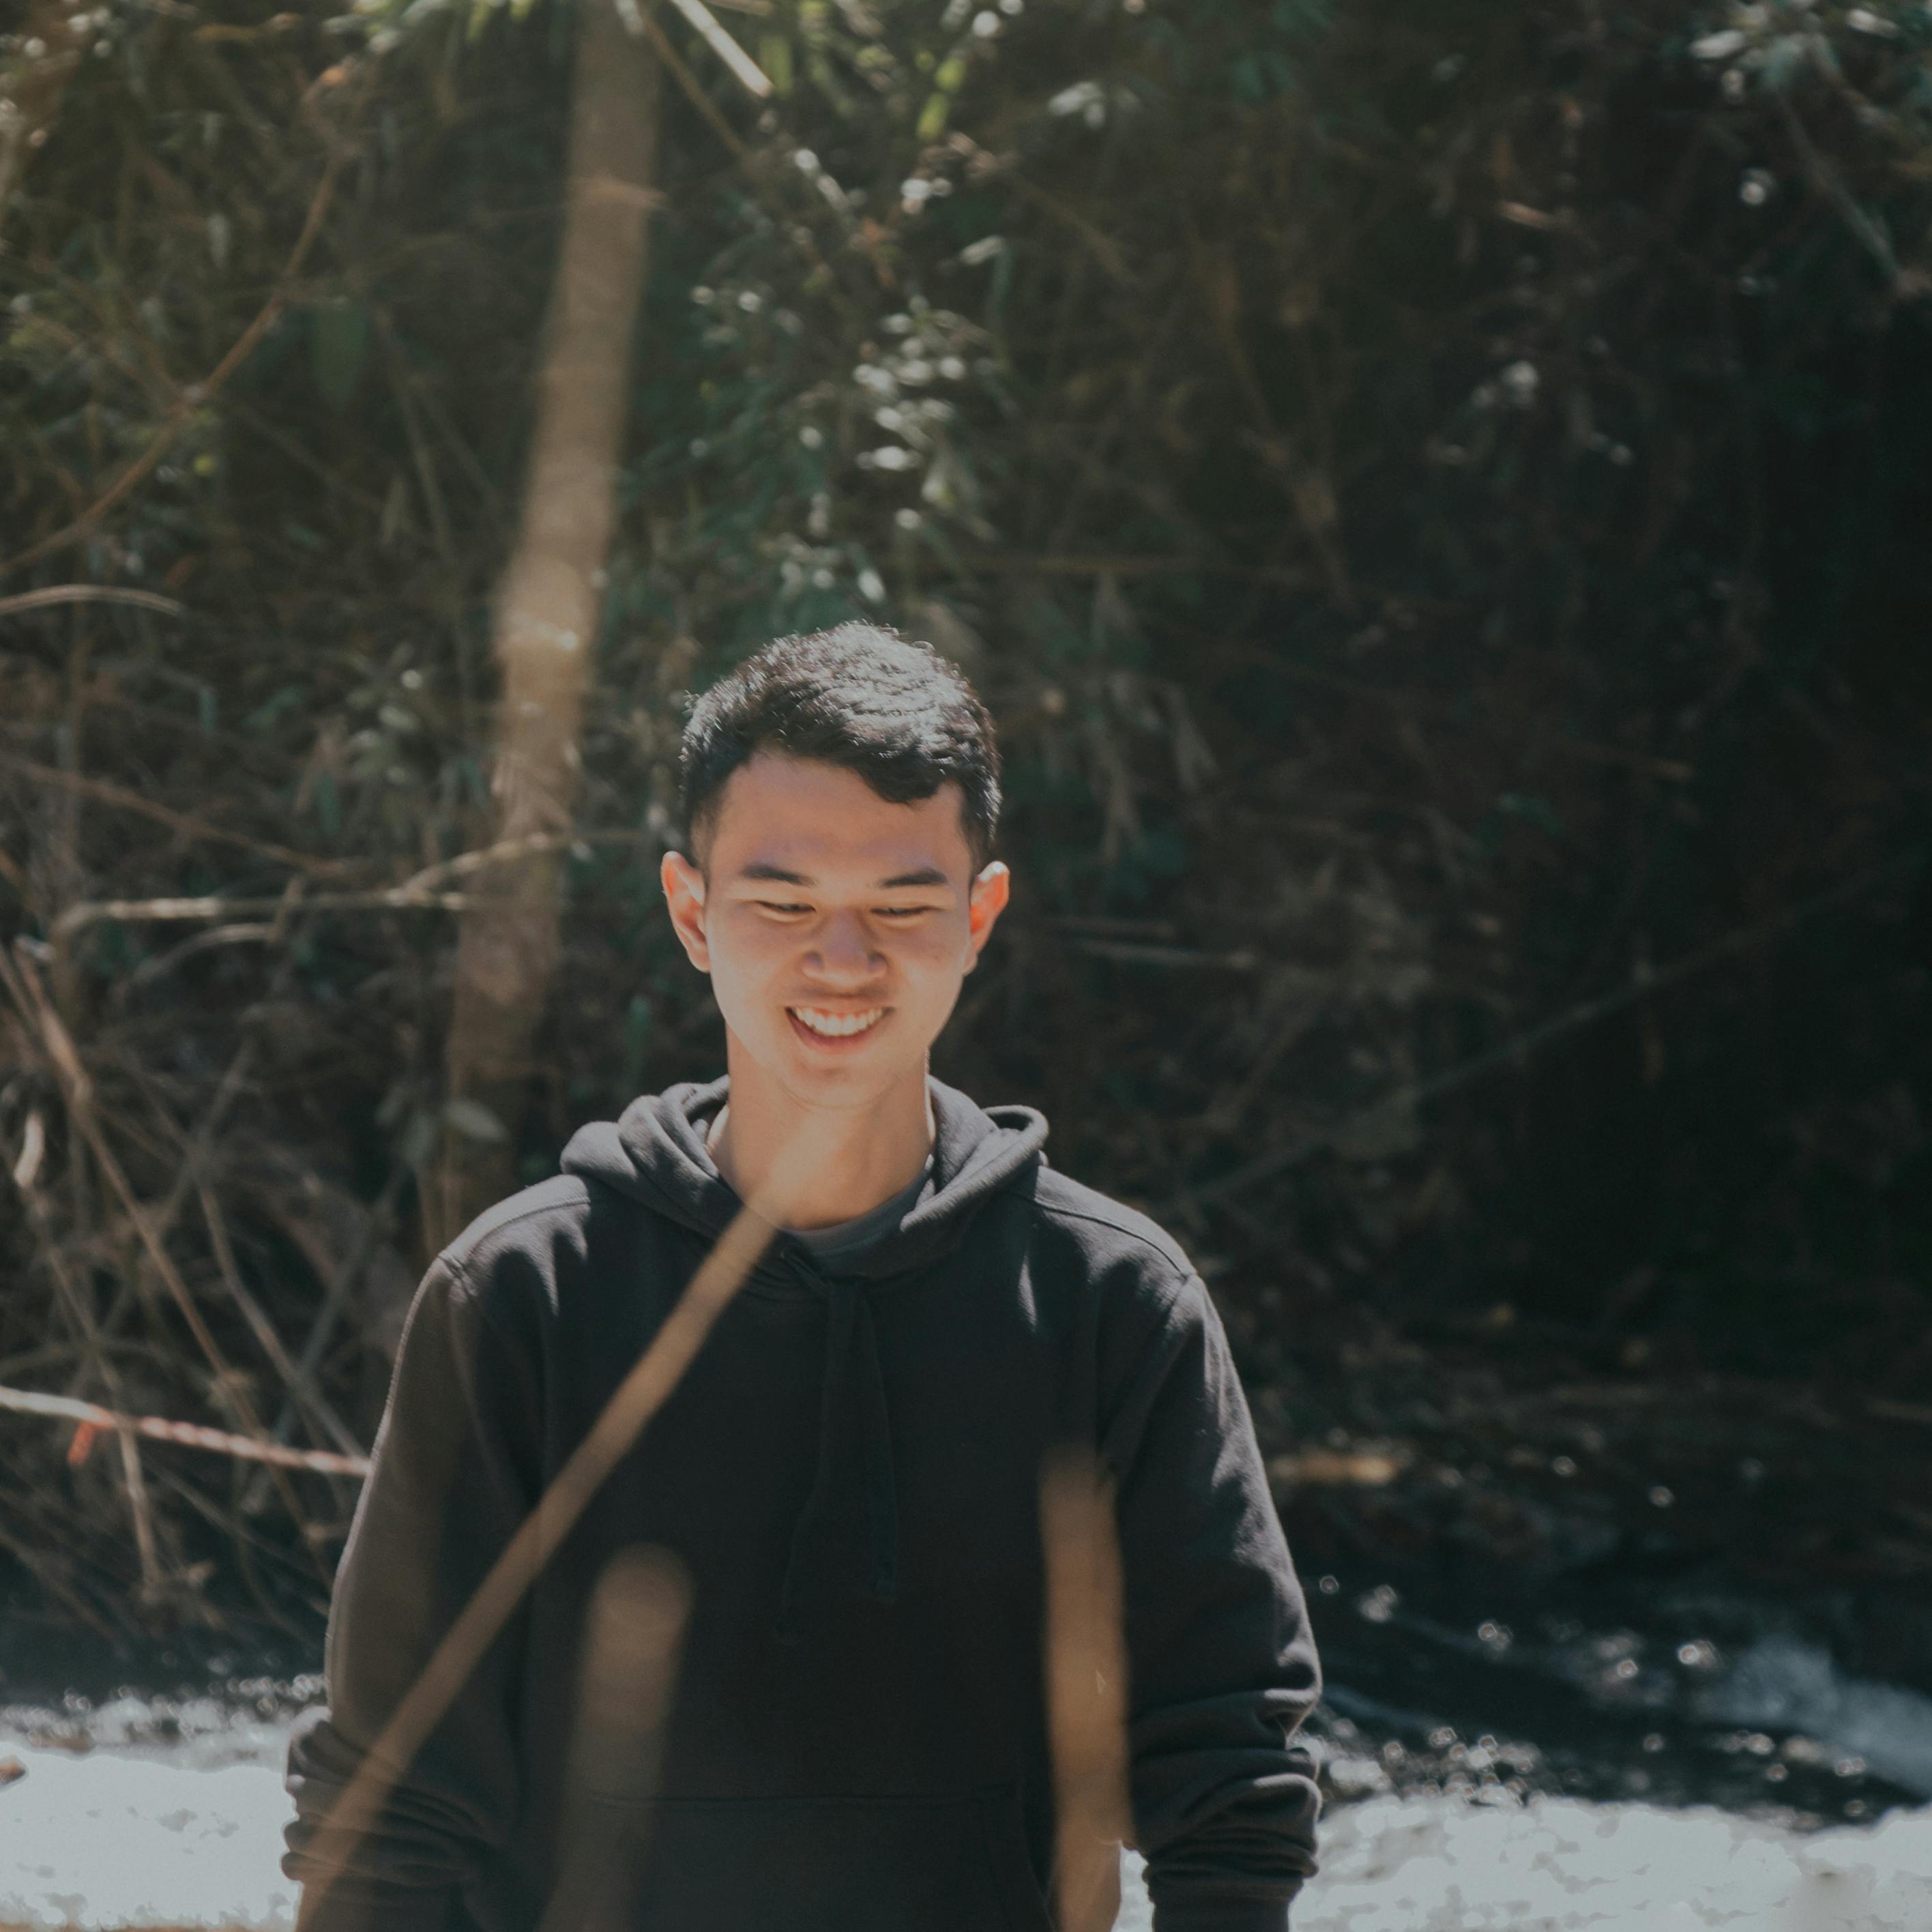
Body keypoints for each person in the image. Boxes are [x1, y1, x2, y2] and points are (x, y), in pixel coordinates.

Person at [284, 623, 1322, 1931]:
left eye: (901, 906)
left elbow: (1229, 1773)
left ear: (980, 917)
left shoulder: (1116, 1307)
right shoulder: (525, 1297)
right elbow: (391, 1805)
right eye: (783, 904)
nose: (843, 962)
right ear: (690, 911)